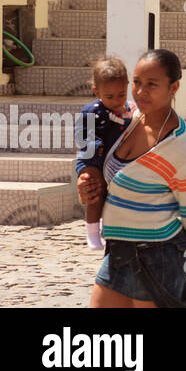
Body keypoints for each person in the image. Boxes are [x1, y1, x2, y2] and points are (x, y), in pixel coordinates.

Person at [85, 49, 186, 308]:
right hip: (118, 251)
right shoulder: (127, 119)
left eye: (151, 85)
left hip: (158, 256)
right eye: (137, 82)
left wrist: (178, 257)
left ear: (173, 87)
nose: (140, 92)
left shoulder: (180, 148)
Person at [74, 57, 132, 250]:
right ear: (97, 92)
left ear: (127, 86)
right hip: (94, 160)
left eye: (121, 94)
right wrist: (94, 143)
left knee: (113, 197)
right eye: (109, 97)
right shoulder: (92, 112)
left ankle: (108, 231)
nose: (116, 101)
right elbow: (82, 136)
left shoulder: (130, 111)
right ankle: (91, 232)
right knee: (95, 189)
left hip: (115, 163)